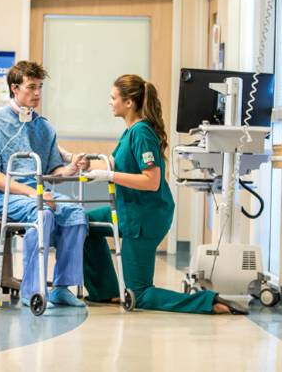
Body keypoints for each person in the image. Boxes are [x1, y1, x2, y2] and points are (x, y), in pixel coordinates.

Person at [83, 74, 248, 315]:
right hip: (130, 209)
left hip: (144, 218)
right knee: (82, 223)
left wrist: (108, 177)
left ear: (129, 103)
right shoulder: (131, 131)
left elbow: (151, 181)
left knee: (139, 293)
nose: (110, 102)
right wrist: (90, 163)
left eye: (113, 97)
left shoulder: (142, 132)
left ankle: (207, 302)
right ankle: (105, 291)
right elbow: (121, 162)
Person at [0, 60, 87, 308]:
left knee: (76, 213)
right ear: (15, 89)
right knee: (42, 212)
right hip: (0, 194)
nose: (37, 94)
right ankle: (32, 291)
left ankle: (61, 287)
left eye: (40, 87)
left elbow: (52, 169)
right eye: (31, 87)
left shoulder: (43, 127)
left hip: (37, 193)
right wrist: (33, 192)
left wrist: (69, 169)